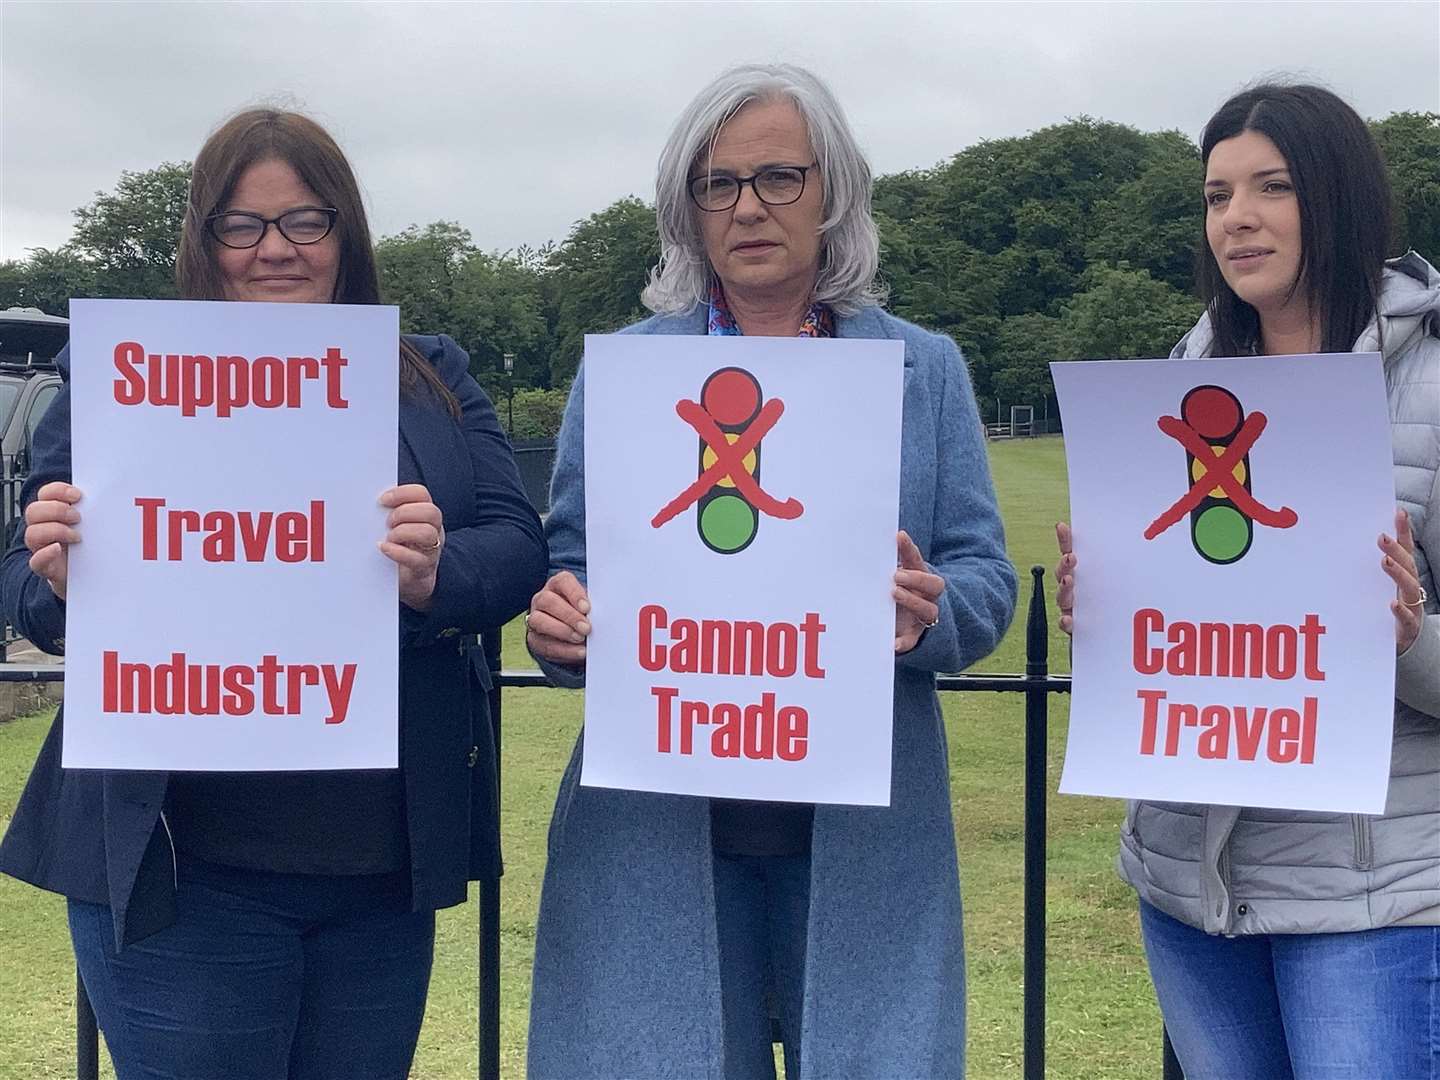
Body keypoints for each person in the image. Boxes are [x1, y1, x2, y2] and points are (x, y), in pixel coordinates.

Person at [0, 109, 547, 1079]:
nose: (275, 250)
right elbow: (24, 588)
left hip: (379, 875)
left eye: (306, 220)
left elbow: (514, 545)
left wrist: (433, 573)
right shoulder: (127, 373)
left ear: (347, 234)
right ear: (204, 241)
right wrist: (58, 576)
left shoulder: (426, 375)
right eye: (243, 225)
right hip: (184, 874)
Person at [524, 63, 1017, 1079]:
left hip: (862, 838)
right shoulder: (623, 372)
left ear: (831, 192)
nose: (748, 206)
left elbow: (985, 577)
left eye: (779, 177)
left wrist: (934, 614)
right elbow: (572, 569)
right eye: (719, 184)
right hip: (659, 838)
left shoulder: (927, 369)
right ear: (689, 209)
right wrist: (559, 626)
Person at [1054, 83, 1439, 1080]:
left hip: (1376, 900)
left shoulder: (1433, 385)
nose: (1238, 218)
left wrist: (1407, 635)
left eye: (1273, 187)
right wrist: (1102, 611)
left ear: (1340, 196)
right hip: (1191, 889)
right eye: (1217, 194)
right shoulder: (1186, 374)